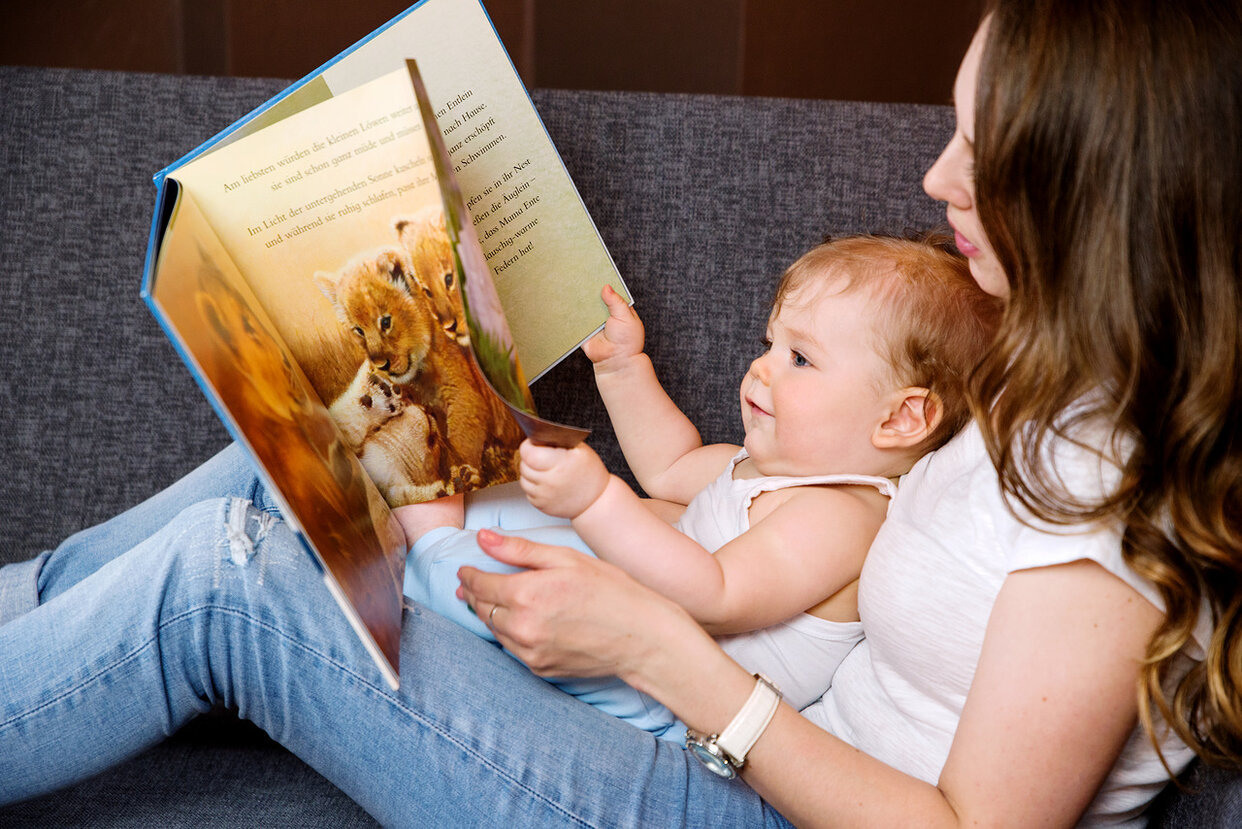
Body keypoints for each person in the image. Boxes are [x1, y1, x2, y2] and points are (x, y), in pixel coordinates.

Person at [1, 0, 1239, 824]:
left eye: (984, 152)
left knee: (232, 583)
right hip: (726, 731)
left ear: (1099, 193)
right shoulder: (1041, 367)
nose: (934, 178)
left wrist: (658, 652)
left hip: (737, 792)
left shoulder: (1108, 516)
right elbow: (725, 493)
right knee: (324, 436)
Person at [397, 233, 1001, 739]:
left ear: (900, 419)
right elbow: (669, 466)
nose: (761, 366)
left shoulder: (843, 517)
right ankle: (428, 523)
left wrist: (595, 500)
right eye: (771, 344)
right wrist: (623, 368)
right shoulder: (768, 466)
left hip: (658, 696)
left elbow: (713, 594)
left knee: (497, 568)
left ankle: (429, 545)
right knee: (502, 496)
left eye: (801, 359)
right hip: (639, 616)